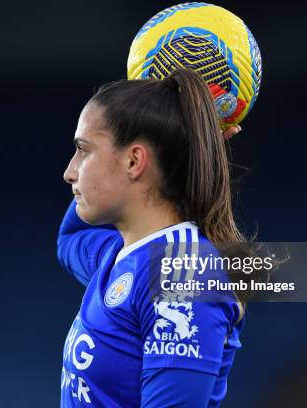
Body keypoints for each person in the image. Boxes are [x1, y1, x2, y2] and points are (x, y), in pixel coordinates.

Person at [57, 68, 248, 407]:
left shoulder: (183, 271)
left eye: (83, 150)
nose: (69, 171)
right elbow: (70, 239)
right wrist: (187, 138)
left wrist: (189, 140)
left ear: (134, 160)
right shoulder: (121, 253)